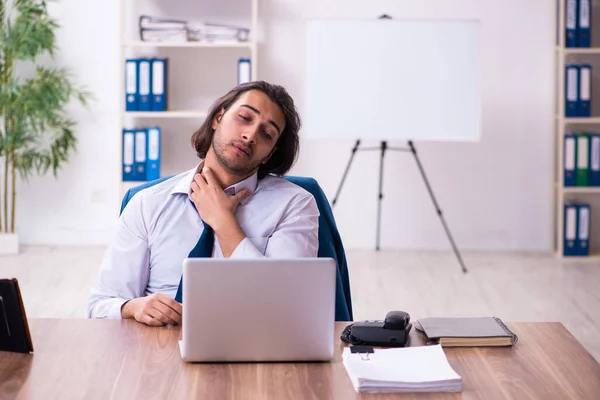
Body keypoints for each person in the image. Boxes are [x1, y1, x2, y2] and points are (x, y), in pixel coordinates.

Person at [88, 81, 319, 326]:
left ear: (270, 153)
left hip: (252, 347)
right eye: (244, 117)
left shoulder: (295, 205)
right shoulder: (149, 203)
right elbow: (100, 305)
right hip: (160, 350)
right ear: (218, 118)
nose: (250, 135)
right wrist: (133, 307)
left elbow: (288, 308)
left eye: (267, 134)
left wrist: (224, 223)